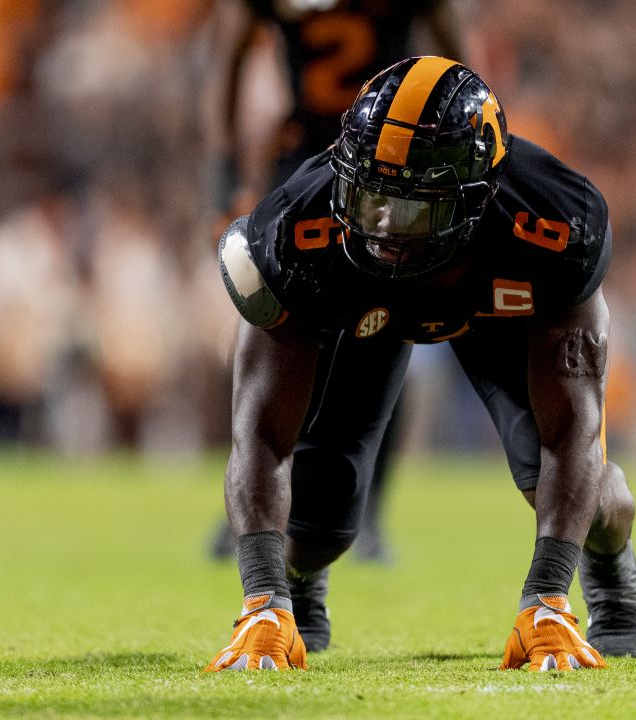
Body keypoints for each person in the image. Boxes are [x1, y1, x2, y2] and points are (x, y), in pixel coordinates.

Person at [205, 57, 636, 672]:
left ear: (475, 197)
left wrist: (547, 598)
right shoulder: (292, 233)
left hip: (496, 315)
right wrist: (260, 597)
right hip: (363, 307)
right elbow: (258, 434)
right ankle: (289, 595)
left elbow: (572, 431)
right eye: (368, 197)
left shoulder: (551, 226)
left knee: (570, 484)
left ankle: (608, 563)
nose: (384, 226)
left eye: (411, 207)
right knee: (315, 523)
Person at [209, 0, 465, 562]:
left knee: (388, 329)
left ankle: (366, 511)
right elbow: (229, 59)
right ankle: (252, 506)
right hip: (318, 158)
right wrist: (228, 176)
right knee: (271, 324)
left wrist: (226, 176)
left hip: (386, 163)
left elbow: (454, 52)